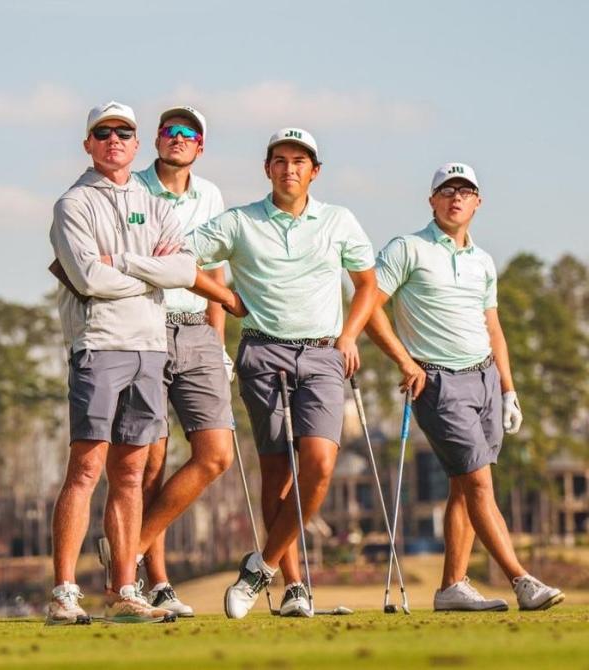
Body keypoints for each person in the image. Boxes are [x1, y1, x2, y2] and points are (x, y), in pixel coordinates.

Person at [47, 101, 245, 625]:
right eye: (103, 132)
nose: (114, 139)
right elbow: (89, 279)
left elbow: (185, 268)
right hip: (99, 343)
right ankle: (65, 591)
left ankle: (124, 590)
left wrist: (129, 264)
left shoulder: (152, 203)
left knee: (131, 473)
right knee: (87, 466)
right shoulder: (73, 203)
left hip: (149, 345)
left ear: (135, 145)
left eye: (123, 133)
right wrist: (153, 272)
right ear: (88, 144)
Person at [186, 128, 378, 618]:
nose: (289, 168)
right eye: (279, 160)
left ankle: (261, 565)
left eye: (299, 161)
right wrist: (225, 297)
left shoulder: (338, 220)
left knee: (319, 462)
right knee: (275, 471)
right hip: (262, 352)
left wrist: (351, 335)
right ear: (267, 169)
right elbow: (181, 256)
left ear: (315, 171)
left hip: (321, 354)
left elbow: (367, 285)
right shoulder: (240, 222)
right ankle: (295, 587)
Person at [366, 162, 564, 612]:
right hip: (437, 382)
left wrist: (509, 389)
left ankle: (452, 587)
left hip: (485, 380)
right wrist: (404, 360)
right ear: (432, 199)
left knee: (461, 486)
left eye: (466, 190)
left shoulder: (482, 261)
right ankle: (522, 580)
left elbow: (493, 328)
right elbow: (369, 306)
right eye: (447, 190)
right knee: (478, 483)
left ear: (478, 201)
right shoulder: (407, 248)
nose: (456, 197)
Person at [127, 105, 234, 617]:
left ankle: (130, 551)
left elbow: (213, 272)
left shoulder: (210, 196)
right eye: (170, 131)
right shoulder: (133, 187)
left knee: (216, 454)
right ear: (157, 139)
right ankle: (159, 582)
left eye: (188, 133)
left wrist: (219, 342)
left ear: (200, 146)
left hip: (197, 333)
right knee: (150, 461)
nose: (178, 138)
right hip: (146, 324)